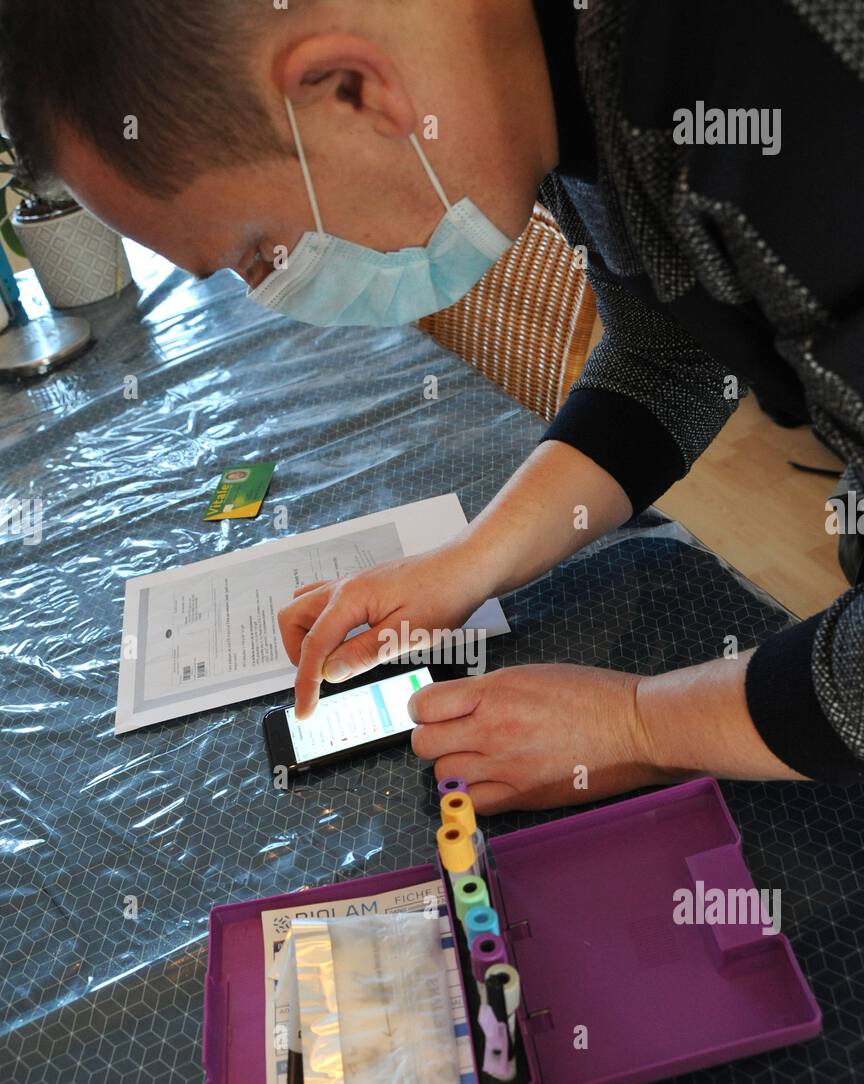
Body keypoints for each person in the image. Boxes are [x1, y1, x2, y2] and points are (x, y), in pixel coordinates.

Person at [3, 0, 862, 811]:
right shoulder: (564, 75)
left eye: (261, 253)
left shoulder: (772, 75)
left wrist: (640, 723)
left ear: (351, 89)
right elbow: (672, 350)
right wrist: (467, 564)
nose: (279, 291)